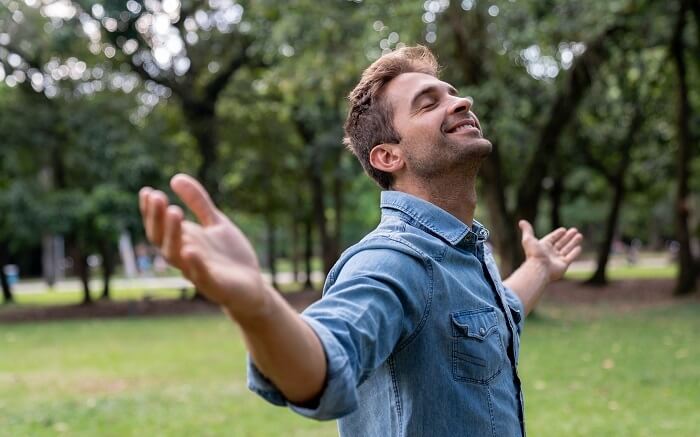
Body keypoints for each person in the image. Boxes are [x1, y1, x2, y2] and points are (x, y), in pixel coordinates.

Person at [139, 46, 582, 436]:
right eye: (429, 104)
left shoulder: (463, 252)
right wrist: (256, 306)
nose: (461, 100)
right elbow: (323, 364)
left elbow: (494, 312)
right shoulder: (393, 262)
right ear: (389, 155)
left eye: (452, 92)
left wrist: (539, 267)